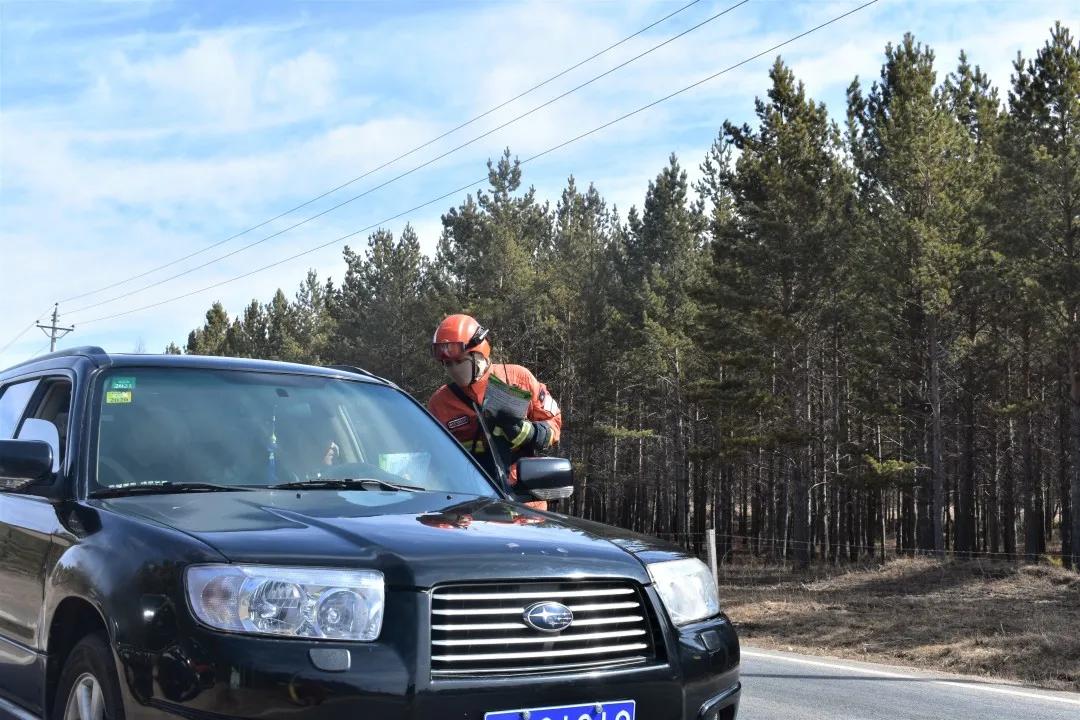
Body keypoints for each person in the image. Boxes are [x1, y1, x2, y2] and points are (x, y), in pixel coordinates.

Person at [427, 314, 562, 508]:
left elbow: (554, 424)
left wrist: (530, 432)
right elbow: (434, 463)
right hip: (467, 507)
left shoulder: (519, 379)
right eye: (448, 364)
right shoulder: (440, 402)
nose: (454, 369)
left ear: (479, 353)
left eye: (459, 361)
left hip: (524, 506)